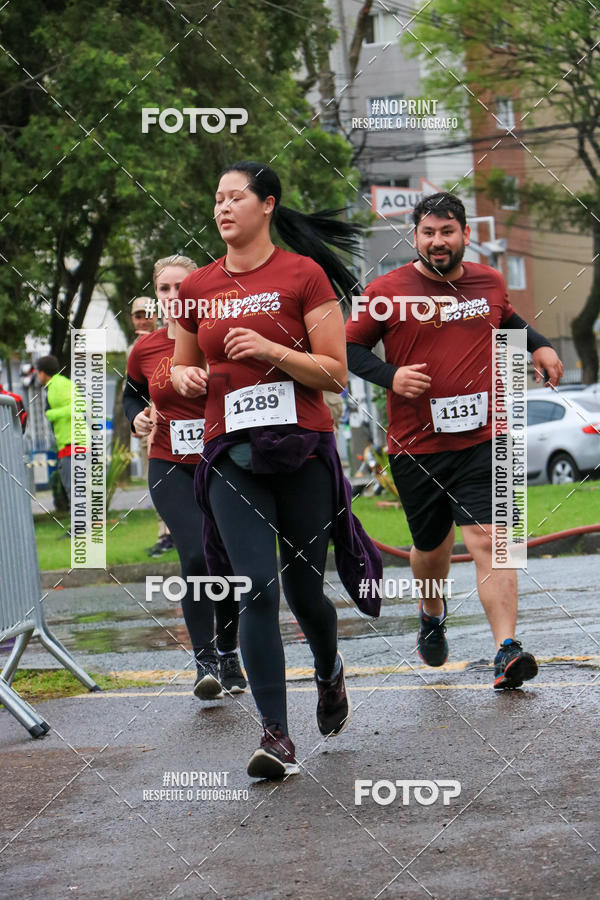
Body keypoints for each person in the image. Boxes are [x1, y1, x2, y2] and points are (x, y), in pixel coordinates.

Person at [171, 162, 382, 780]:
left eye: (235, 196)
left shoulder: (302, 274)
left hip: (301, 451)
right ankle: (276, 736)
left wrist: (269, 351)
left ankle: (329, 671)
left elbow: (336, 373)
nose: (222, 207)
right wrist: (182, 379)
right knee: (255, 587)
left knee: (303, 590)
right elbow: (184, 371)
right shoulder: (198, 286)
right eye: (217, 198)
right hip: (233, 455)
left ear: (267, 205)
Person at [346, 192, 563, 691]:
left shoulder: (488, 282)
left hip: (485, 438)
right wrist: (392, 375)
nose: (437, 242)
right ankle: (431, 608)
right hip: (416, 445)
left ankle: (506, 650)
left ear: (465, 233)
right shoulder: (387, 289)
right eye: (428, 233)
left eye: (447, 232)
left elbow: (503, 319)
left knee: (492, 540)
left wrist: (541, 345)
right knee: (431, 549)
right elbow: (349, 347)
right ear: (415, 236)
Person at [123, 255, 245, 699]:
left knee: (225, 561)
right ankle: (205, 661)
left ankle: (230, 652)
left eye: (181, 287)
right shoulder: (145, 348)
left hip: (222, 461)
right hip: (170, 464)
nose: (173, 297)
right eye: (164, 289)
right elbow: (132, 395)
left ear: (198, 289)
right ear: (156, 296)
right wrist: (136, 417)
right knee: (195, 557)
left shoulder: (221, 337)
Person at [126, 296, 173, 555]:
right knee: (156, 483)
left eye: (148, 314)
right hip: (152, 425)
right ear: (132, 319)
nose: (144, 319)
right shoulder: (134, 349)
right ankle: (165, 535)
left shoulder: (175, 337)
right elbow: (132, 392)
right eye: (138, 315)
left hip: (183, 421)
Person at [35, 356, 79, 505]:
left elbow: (79, 407)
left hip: (73, 442)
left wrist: (51, 414)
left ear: (42, 373)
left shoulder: (59, 385)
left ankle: (80, 527)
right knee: (72, 488)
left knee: (73, 489)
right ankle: (79, 526)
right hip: (67, 443)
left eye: (37, 372)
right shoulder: (56, 385)